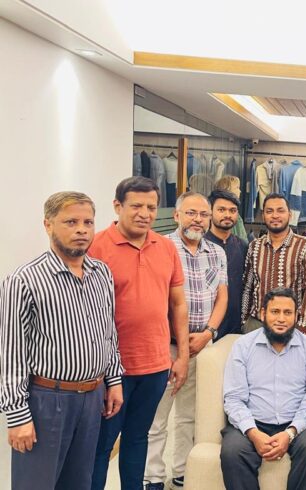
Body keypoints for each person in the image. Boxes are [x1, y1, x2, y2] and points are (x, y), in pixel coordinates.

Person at [0, 191, 123, 490]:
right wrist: (17, 416)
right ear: (48, 225)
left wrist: (114, 380)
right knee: (36, 484)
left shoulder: (101, 273)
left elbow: (108, 331)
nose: (81, 230)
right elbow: (11, 354)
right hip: (47, 401)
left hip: (92, 398)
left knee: (79, 482)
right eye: (71, 222)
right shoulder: (24, 280)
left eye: (88, 222)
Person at [89, 176, 189, 490]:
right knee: (102, 445)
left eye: (151, 207)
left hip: (155, 366)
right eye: (136, 206)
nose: (144, 214)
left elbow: (178, 304)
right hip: (111, 370)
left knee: (137, 439)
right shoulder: (96, 246)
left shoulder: (166, 247)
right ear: (117, 206)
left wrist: (182, 356)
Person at [144, 192, 228, 489]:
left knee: (190, 415)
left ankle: (182, 472)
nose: (198, 220)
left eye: (203, 215)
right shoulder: (159, 247)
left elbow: (222, 297)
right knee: (157, 416)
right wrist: (179, 344)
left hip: (201, 347)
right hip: (165, 347)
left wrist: (208, 333)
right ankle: (153, 477)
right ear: (177, 215)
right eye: (191, 213)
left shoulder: (216, 252)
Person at [221, 288, 306, 490]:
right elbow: (233, 398)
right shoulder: (243, 346)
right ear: (262, 313)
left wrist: (290, 433)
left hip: (296, 423)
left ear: (296, 316)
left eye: (288, 312)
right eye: (275, 312)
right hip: (253, 421)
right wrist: (253, 433)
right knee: (232, 451)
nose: (281, 319)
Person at [241, 192, 306, 335]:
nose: (275, 215)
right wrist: (244, 321)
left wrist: (303, 324)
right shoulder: (255, 246)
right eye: (269, 211)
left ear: (289, 214)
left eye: (280, 210)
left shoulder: (305, 245)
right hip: (256, 324)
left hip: (290, 326)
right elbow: (248, 286)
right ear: (263, 216)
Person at [205, 189, 249, 338]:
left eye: (232, 210)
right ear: (210, 212)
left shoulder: (242, 246)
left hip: (236, 327)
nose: (227, 215)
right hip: (207, 328)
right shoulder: (200, 246)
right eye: (221, 210)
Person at [214, 174, 250, 243]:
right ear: (228, 190)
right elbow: (242, 240)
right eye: (237, 187)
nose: (240, 191)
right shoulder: (232, 215)